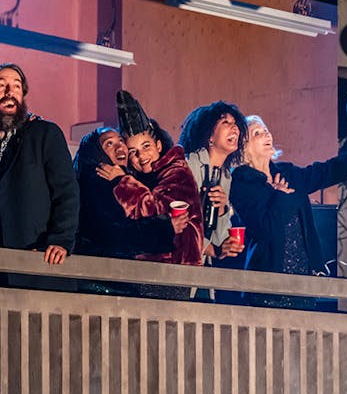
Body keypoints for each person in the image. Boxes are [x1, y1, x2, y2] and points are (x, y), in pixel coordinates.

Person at [229, 115, 347, 307]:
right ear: (243, 148)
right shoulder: (241, 183)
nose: (267, 134)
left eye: (266, 130)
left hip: (304, 283)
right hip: (267, 286)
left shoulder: (287, 173)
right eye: (257, 133)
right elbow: (267, 228)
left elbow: (328, 171)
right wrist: (280, 196)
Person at [0, 63, 78, 265]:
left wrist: (61, 239)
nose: (10, 92)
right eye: (1, 86)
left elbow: (67, 191)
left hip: (38, 256)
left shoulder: (44, 133)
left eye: (16, 86)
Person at [109, 90, 203, 266]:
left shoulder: (177, 171)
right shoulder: (144, 177)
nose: (141, 155)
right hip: (154, 267)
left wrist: (123, 183)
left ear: (158, 145)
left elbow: (157, 211)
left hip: (175, 267)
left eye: (146, 146)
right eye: (133, 152)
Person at [73, 127, 178, 260]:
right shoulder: (96, 185)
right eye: (109, 144)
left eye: (121, 141)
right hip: (101, 273)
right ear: (97, 152)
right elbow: (114, 236)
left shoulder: (125, 179)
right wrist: (166, 228)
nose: (119, 147)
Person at [180, 101, 248, 263]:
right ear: (209, 135)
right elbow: (179, 223)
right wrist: (212, 249)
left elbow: (220, 240)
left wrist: (223, 209)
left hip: (202, 266)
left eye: (235, 123)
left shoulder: (225, 176)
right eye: (226, 122)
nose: (235, 128)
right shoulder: (189, 165)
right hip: (177, 264)